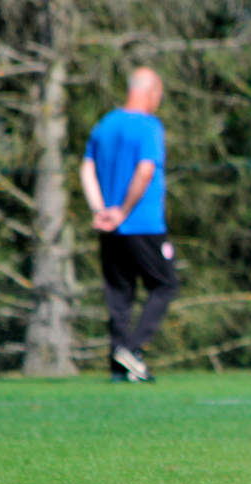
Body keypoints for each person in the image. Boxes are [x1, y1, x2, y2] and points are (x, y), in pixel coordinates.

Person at [80, 66, 179, 383]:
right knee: (164, 285)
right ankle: (131, 350)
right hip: (142, 223)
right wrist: (122, 211)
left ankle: (118, 369)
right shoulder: (148, 126)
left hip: (109, 227)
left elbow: (86, 168)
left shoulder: (105, 124)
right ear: (150, 91)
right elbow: (146, 170)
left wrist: (100, 210)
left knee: (119, 294)